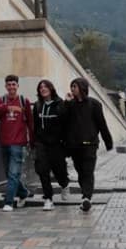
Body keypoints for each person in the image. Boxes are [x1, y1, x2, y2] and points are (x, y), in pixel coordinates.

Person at [61, 77, 113, 212]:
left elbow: (102, 123)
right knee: (80, 171)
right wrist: (66, 103)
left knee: (88, 171)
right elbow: (62, 121)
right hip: (74, 145)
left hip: (90, 144)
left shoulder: (94, 104)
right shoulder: (70, 105)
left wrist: (108, 141)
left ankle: (86, 197)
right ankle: (85, 195)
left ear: (82, 87)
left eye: (75, 86)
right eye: (71, 86)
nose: (72, 89)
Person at [0, 74, 34, 212]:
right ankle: (23, 193)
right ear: (5, 86)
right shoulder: (0, 100)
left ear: (17, 86)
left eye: (13, 84)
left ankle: (8, 202)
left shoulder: (23, 101)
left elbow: (30, 122)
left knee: (13, 173)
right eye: (9, 84)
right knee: (9, 173)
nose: (11, 87)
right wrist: (4, 107)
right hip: (4, 142)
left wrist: (31, 141)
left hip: (18, 142)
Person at [32, 79, 70, 210]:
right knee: (42, 170)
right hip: (41, 143)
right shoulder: (37, 106)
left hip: (57, 144)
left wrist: (65, 143)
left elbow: (66, 124)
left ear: (51, 88)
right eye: (40, 87)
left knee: (59, 170)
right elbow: (35, 125)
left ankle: (64, 185)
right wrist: (35, 142)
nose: (43, 89)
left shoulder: (60, 104)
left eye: (45, 86)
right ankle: (48, 198)